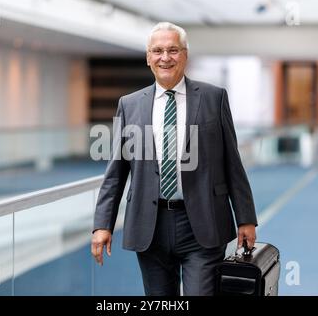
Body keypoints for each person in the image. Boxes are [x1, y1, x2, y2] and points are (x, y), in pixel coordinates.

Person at [91, 22, 257, 296]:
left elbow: (232, 164)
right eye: (157, 51)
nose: (165, 57)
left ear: (185, 54)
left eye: (172, 50)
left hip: (203, 223)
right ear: (148, 57)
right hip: (149, 226)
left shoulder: (214, 98)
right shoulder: (129, 104)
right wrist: (102, 224)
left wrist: (246, 218)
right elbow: (116, 171)